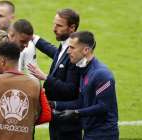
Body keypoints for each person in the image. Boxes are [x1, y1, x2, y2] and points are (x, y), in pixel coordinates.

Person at [52, 31, 119, 140]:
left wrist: (77, 113)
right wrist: (55, 104)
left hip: (104, 134)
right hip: (89, 132)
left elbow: (104, 106)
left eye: (72, 48)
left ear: (86, 50)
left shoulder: (101, 74)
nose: (68, 51)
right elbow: (83, 102)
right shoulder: (84, 70)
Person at [28, 9, 82, 140]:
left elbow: (70, 90)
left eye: (59, 25)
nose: (54, 28)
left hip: (67, 122)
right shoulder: (65, 46)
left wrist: (45, 77)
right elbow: (55, 53)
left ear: (72, 28)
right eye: (54, 24)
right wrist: (33, 37)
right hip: (57, 117)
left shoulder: (74, 54)